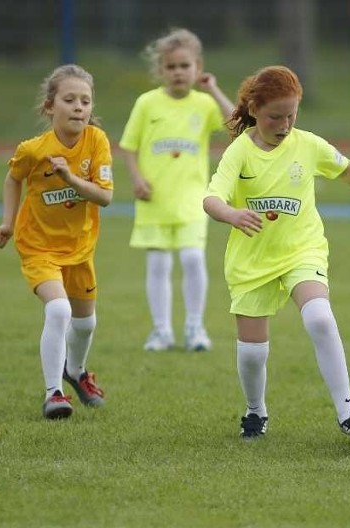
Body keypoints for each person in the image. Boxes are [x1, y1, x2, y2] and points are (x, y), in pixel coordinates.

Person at [202, 65, 350, 439]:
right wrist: (232, 213)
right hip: (252, 261)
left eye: (291, 116)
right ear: (253, 109)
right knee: (253, 354)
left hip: (303, 250)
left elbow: (349, 171)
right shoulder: (240, 153)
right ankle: (256, 410)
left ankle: (348, 413)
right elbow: (211, 198)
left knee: (319, 318)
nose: (284, 125)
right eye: (274, 117)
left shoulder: (308, 145)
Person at [0, 64, 113, 420]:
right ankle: (54, 393)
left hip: (80, 248)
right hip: (38, 246)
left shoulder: (97, 141)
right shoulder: (33, 149)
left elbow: (104, 197)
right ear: (49, 107)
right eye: (69, 99)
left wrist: (70, 177)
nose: (78, 107)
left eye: (85, 101)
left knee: (86, 324)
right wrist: (7, 223)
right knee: (59, 310)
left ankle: (75, 371)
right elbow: (13, 178)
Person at [120, 28, 234, 352]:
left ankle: (195, 328)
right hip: (154, 200)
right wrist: (136, 179)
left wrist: (214, 90)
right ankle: (161, 331)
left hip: (192, 201)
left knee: (193, 259)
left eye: (185, 65)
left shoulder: (204, 104)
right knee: (158, 265)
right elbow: (128, 146)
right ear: (161, 70)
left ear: (197, 67)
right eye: (171, 67)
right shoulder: (147, 103)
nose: (178, 72)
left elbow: (234, 125)